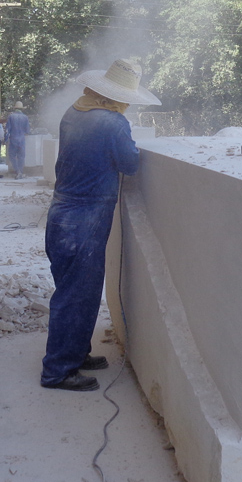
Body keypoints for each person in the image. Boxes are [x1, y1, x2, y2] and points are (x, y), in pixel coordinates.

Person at [41, 59, 161, 391]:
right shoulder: (112, 124)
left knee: (78, 292)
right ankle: (58, 371)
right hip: (86, 218)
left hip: (62, 215)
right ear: (117, 98)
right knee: (76, 295)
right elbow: (130, 163)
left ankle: (76, 353)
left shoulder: (73, 113)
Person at [5, 101, 31, 180]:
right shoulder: (25, 117)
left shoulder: (11, 116)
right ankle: (21, 171)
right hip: (22, 139)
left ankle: (17, 171)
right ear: (21, 109)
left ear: (15, 108)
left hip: (13, 139)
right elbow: (27, 131)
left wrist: (5, 139)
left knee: (12, 156)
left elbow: (7, 130)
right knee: (21, 156)